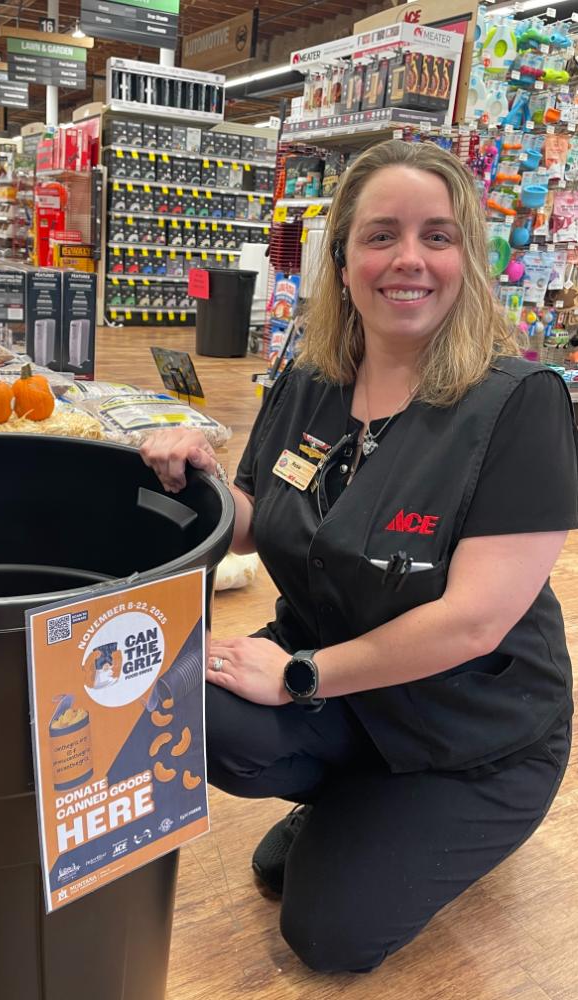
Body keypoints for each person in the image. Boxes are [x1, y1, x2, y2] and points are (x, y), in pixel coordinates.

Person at [140, 139, 577, 974]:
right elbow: (253, 521)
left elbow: (474, 622)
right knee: (203, 717)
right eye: (381, 235)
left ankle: (409, 822)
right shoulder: (308, 380)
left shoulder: (518, 404)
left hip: (473, 736)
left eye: (437, 237)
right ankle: (352, 804)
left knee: (329, 935)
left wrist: (298, 674)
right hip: (355, 691)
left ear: (466, 259)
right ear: (341, 260)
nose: (408, 259)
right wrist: (188, 479)